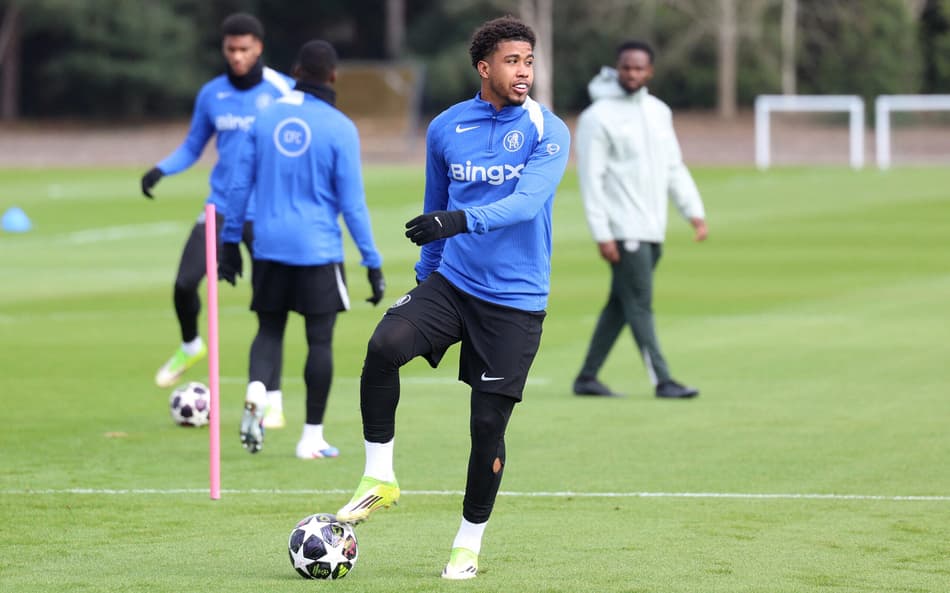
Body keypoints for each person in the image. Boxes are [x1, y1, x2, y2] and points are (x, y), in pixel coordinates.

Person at [334, 16, 570, 580]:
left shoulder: (548, 129)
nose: (524, 72)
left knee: (487, 426)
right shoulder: (445, 127)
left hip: (515, 300)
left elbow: (524, 205)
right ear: (484, 67)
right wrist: (426, 276)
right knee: (385, 344)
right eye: (512, 61)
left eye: (529, 61)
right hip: (453, 284)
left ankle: (467, 543)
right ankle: (379, 477)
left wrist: (459, 220)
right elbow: (433, 208)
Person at [218, 39, 385, 459]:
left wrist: (230, 242)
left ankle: (258, 390)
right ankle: (311, 437)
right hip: (317, 250)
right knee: (320, 342)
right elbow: (352, 205)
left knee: (268, 331)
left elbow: (238, 186)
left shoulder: (265, 118)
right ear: (333, 76)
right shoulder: (340, 127)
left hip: (269, 247)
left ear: (296, 72)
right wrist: (372, 261)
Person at [141, 13, 294, 430]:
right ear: (224, 49)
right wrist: (161, 169)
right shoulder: (212, 94)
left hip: (265, 212)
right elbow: (193, 146)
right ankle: (191, 345)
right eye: (231, 49)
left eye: (245, 49)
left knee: (269, 307)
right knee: (183, 283)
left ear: (259, 47)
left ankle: (273, 400)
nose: (238, 56)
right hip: (220, 207)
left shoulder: (283, 90)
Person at [572, 40, 708, 400]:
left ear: (650, 71)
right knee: (640, 305)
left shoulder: (658, 111)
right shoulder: (597, 117)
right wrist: (602, 233)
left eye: (639, 68)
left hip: (652, 227)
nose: (632, 74)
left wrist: (694, 212)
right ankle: (663, 379)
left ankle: (587, 377)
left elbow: (674, 167)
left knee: (621, 304)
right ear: (617, 69)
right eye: (626, 67)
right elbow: (591, 179)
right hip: (622, 229)